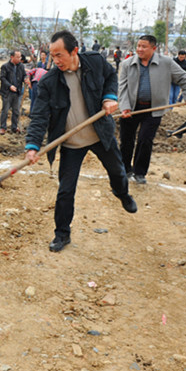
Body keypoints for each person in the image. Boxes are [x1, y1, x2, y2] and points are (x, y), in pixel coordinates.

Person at [25, 30, 137, 253]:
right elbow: (39, 116)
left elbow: (111, 77)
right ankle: (62, 234)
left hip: (99, 135)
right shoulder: (49, 81)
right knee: (66, 191)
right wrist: (32, 146)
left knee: (118, 172)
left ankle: (122, 194)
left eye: (60, 55)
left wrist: (110, 97)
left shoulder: (94, 62)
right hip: (71, 143)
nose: (55, 61)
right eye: (52, 55)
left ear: (74, 51)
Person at [118, 35, 186, 184]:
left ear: (154, 48)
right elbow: (122, 87)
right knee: (127, 140)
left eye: (144, 46)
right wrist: (125, 106)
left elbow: (184, 78)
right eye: (138, 46)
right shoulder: (128, 64)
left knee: (145, 140)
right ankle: (125, 169)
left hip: (154, 108)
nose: (139, 49)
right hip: (132, 108)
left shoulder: (166, 63)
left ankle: (139, 172)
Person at [0, 50, 26, 134]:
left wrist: (26, 78)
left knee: (16, 111)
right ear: (12, 57)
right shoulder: (5, 66)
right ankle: (3, 127)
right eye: (17, 57)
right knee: (5, 110)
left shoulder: (21, 66)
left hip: (17, 92)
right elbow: (2, 78)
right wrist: (9, 86)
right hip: (7, 92)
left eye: (20, 57)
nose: (19, 59)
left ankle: (14, 127)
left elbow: (24, 75)